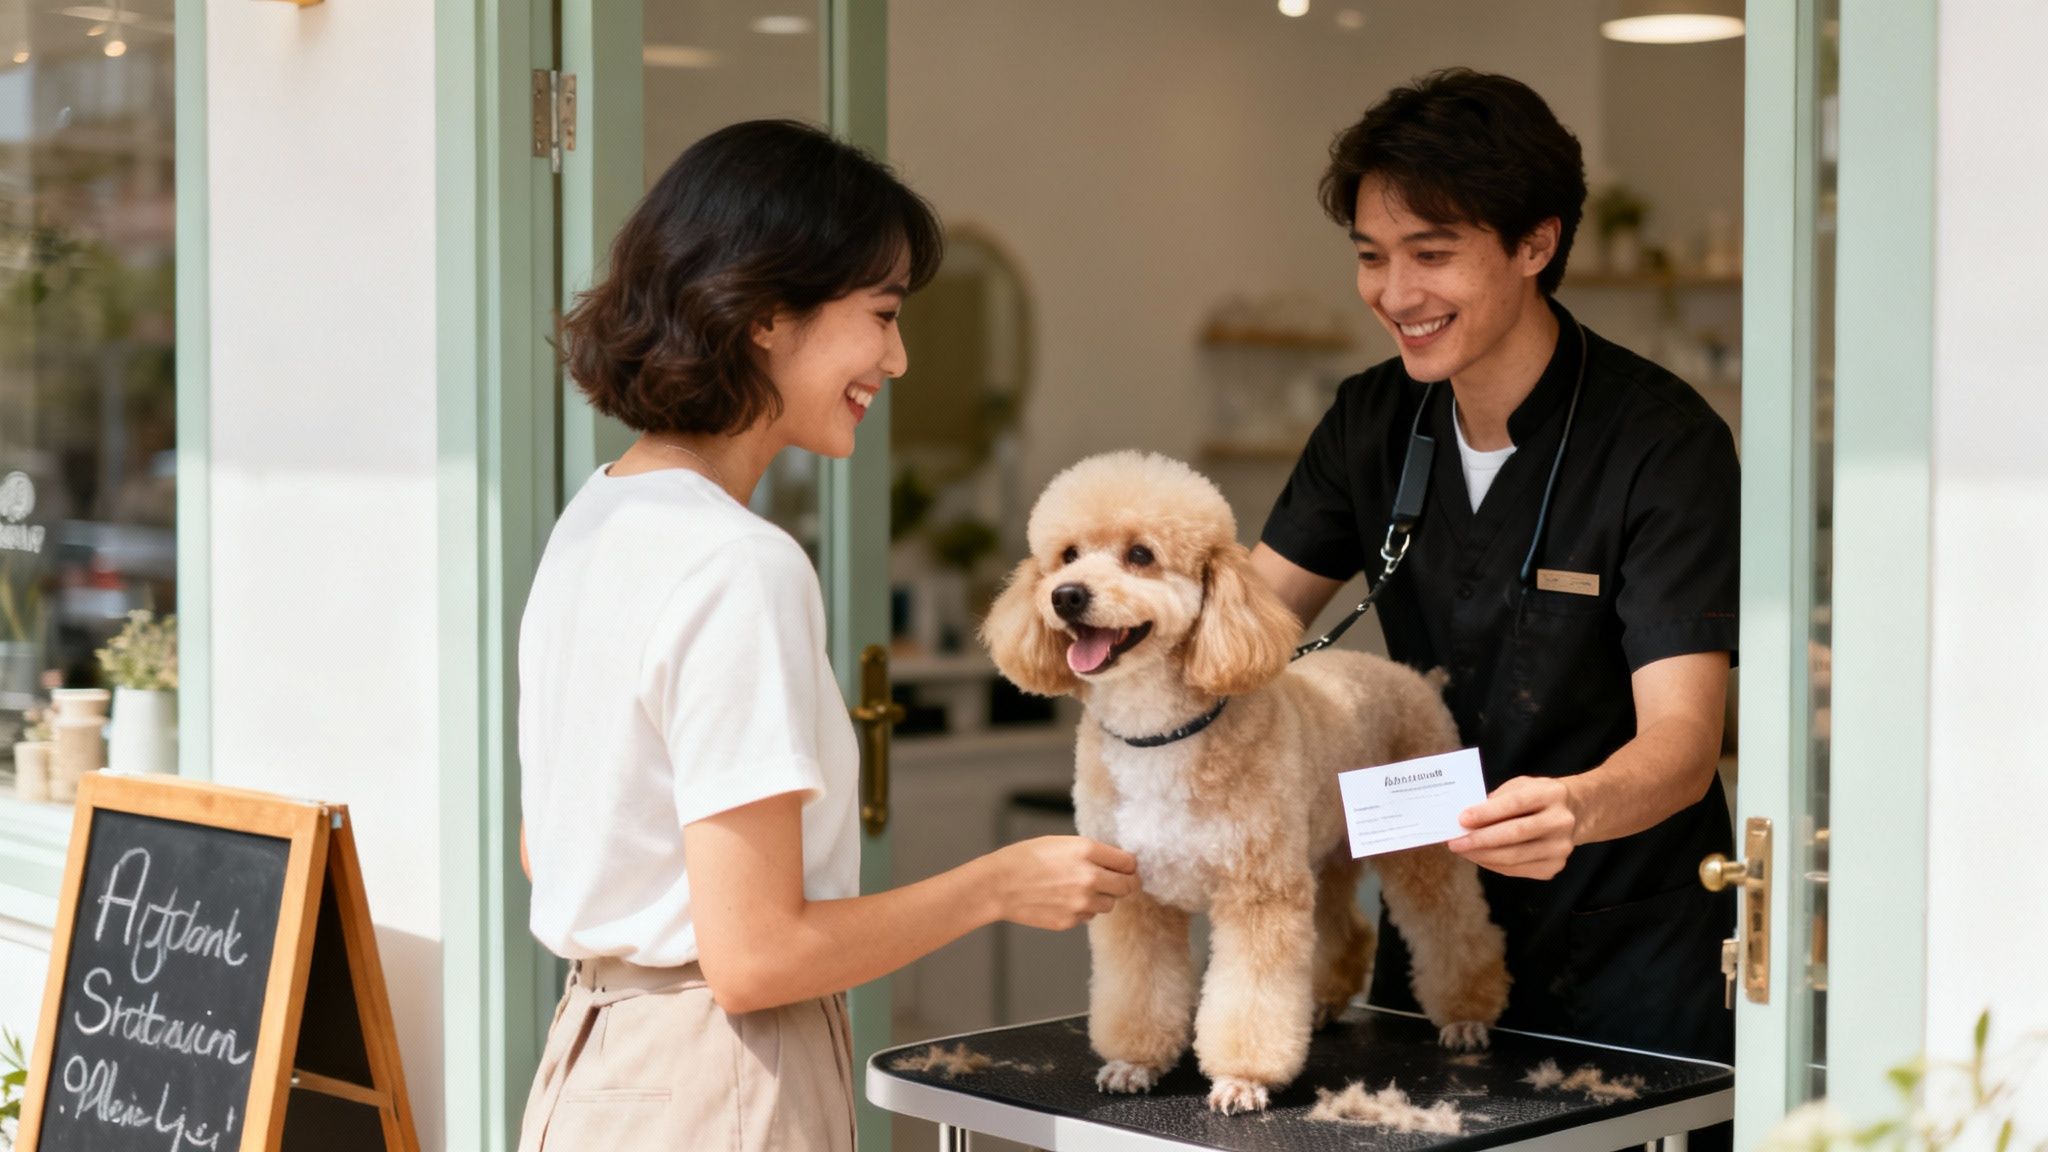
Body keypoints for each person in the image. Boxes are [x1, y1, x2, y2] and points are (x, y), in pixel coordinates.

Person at [513, 119, 1139, 1152]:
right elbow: (756, 958)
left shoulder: (597, 519)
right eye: (881, 315)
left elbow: (555, 849)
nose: (895, 358)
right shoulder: (736, 563)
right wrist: (995, 884)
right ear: (765, 313)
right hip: (716, 1078)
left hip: (592, 1062)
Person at [1251, 69, 1739, 1143]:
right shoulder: (1369, 420)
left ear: (1533, 244)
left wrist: (1572, 808)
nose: (1393, 292)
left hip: (1627, 956)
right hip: (1436, 936)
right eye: (1371, 258)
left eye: (1430, 253)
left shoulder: (1661, 445)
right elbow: (1240, 633)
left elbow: (1682, 743)